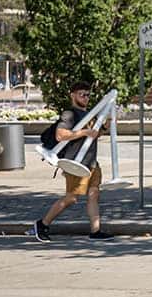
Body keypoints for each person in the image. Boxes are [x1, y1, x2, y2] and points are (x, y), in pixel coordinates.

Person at [28, 81, 114, 242]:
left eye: (88, 95)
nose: (86, 98)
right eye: (82, 94)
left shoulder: (89, 114)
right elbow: (60, 135)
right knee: (71, 198)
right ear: (72, 95)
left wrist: (106, 125)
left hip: (91, 162)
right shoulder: (69, 114)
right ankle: (42, 224)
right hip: (75, 163)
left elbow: (95, 134)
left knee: (93, 195)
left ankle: (95, 231)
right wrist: (83, 132)